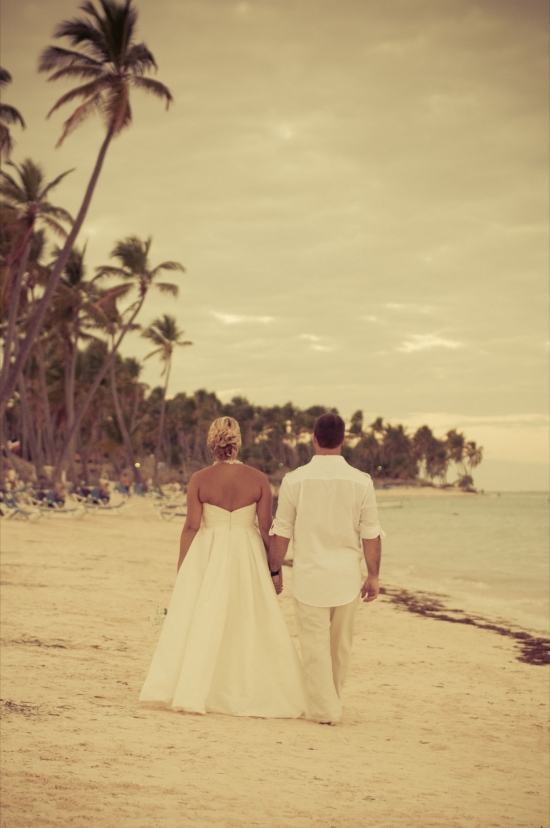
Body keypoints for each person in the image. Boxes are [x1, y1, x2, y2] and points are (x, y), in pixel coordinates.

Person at [139, 417, 308, 718]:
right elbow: (267, 527)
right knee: (249, 618)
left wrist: (184, 569)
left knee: (207, 617)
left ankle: (202, 689)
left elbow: (191, 526)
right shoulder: (258, 480)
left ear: (211, 444)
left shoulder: (199, 480)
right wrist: (275, 570)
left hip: (208, 554)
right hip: (248, 554)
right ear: (238, 442)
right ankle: (249, 688)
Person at [269, 413, 384, 725]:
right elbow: (370, 533)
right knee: (340, 648)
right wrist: (373, 576)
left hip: (309, 576)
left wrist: (274, 571)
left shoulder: (294, 481)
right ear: (343, 440)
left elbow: (282, 531)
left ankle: (326, 706)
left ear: (314, 439)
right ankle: (329, 704)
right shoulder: (361, 482)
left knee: (314, 646)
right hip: (346, 577)